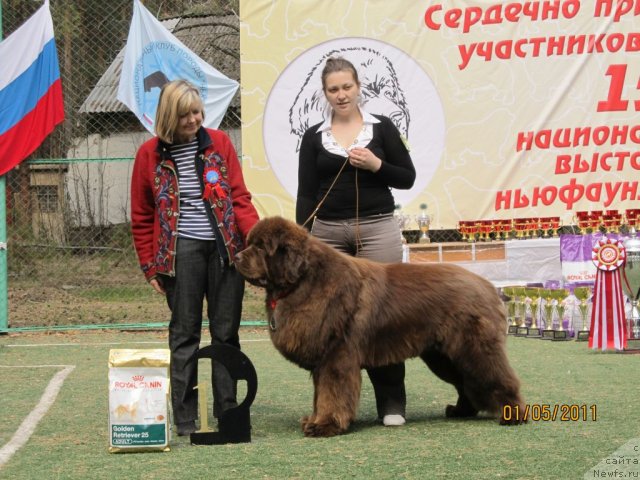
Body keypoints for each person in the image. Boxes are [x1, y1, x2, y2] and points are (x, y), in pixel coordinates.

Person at [131, 79, 259, 436]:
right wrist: (150, 266)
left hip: (225, 252)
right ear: (169, 116)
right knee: (184, 334)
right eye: (185, 114)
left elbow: (239, 198)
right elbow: (141, 216)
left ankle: (227, 411)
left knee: (225, 333)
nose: (193, 120)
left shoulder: (219, 143)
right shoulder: (148, 155)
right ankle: (185, 418)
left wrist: (256, 240)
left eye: (197, 112)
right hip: (179, 254)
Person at [296, 57, 416, 427]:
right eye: (333, 89)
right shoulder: (314, 137)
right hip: (329, 236)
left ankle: (392, 401)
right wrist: (303, 238)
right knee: (329, 323)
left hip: (378, 228)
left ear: (358, 86)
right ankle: (332, 407)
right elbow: (305, 194)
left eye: (347, 87)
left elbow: (407, 178)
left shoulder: (383, 128)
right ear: (325, 93)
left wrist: (377, 165)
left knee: (385, 316)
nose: (341, 94)